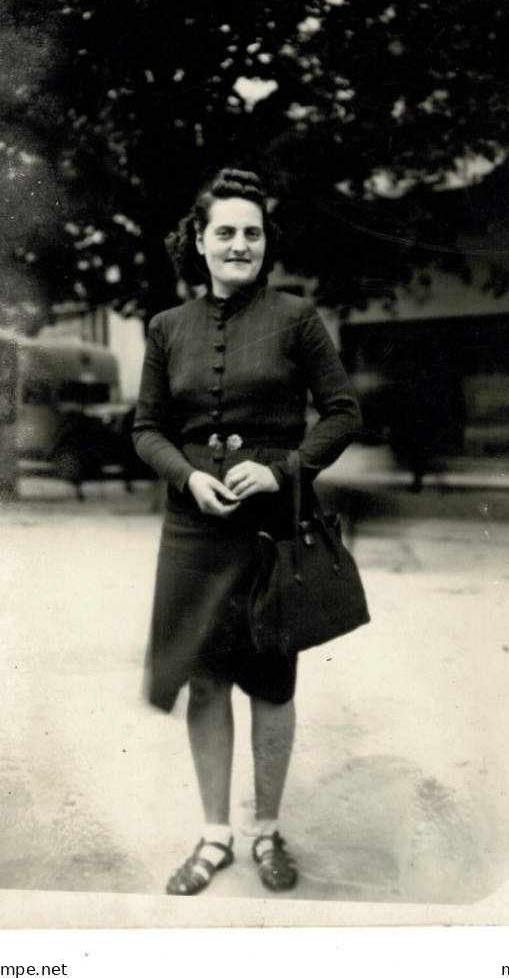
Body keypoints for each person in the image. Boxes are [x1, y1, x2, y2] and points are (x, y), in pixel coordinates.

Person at [132, 168, 362, 896]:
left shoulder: (295, 317)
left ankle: (265, 830)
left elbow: (342, 411)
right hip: (192, 530)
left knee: (269, 681)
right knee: (203, 682)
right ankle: (213, 837)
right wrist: (187, 477)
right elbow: (147, 429)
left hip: (271, 526)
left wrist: (285, 470)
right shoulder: (166, 328)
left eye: (251, 233)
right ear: (198, 243)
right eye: (224, 232)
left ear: (265, 244)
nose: (238, 244)